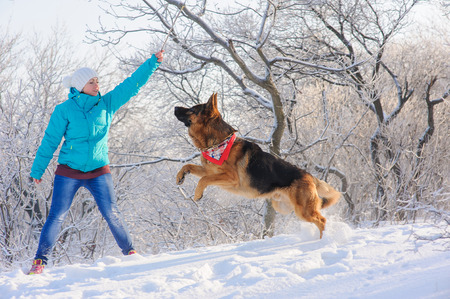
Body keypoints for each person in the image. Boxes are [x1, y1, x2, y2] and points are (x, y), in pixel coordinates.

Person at [27, 50, 164, 275]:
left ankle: (130, 253)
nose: (96, 84)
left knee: (111, 211)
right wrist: (38, 169)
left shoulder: (106, 104)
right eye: (91, 82)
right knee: (57, 215)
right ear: (80, 86)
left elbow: (131, 85)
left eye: (97, 81)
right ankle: (40, 261)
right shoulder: (64, 110)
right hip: (69, 171)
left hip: (99, 170)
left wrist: (152, 63)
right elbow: (50, 141)